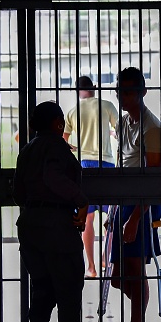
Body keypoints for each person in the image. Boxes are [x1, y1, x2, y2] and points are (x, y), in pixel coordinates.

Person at [12, 101, 101, 322]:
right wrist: (81, 200)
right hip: (57, 230)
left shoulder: (27, 150)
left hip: (30, 227)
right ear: (58, 124)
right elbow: (53, 176)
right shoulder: (55, 146)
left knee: (42, 294)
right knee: (68, 295)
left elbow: (17, 193)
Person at [107, 67, 161, 322]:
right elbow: (121, 165)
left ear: (143, 92)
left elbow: (152, 179)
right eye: (119, 91)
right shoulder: (124, 122)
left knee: (135, 271)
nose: (122, 96)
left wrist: (136, 218)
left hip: (140, 206)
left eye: (128, 91)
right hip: (123, 202)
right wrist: (114, 210)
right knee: (117, 277)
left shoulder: (152, 128)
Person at [63, 75, 118, 278]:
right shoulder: (107, 105)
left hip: (84, 164)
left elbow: (63, 142)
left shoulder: (72, 112)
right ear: (94, 88)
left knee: (87, 216)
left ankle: (91, 267)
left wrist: (74, 148)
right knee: (111, 216)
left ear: (78, 91)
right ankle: (106, 257)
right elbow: (121, 130)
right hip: (107, 163)